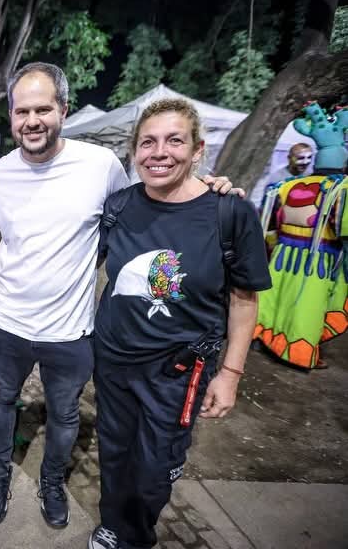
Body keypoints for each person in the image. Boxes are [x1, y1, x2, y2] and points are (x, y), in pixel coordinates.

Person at [0, 63, 238, 531]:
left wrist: (210, 186)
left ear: (63, 109)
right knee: (1, 402)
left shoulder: (100, 166)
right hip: (8, 320)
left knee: (64, 414)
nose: (31, 120)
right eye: (21, 111)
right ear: (11, 116)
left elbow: (148, 200)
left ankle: (51, 481)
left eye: (42, 108)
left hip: (72, 329)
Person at [88, 98, 271, 549]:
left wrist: (229, 374)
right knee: (113, 453)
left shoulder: (230, 213)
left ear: (198, 150)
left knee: (155, 467)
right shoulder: (119, 207)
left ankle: (135, 536)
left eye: (174, 140)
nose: (159, 152)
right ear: (134, 151)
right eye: (147, 142)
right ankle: (114, 523)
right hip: (112, 360)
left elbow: (244, 301)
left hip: (177, 371)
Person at [254, 105, 347, 370]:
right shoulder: (341, 188)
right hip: (320, 260)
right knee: (307, 304)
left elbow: (267, 220)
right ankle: (298, 352)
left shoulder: (284, 187)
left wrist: (272, 246)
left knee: (274, 297)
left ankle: (261, 337)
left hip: (283, 254)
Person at [248, 142, 313, 209]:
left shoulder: (311, 176)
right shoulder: (276, 178)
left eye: (309, 157)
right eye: (300, 158)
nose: (305, 162)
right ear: (289, 158)